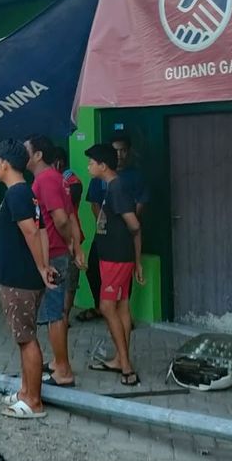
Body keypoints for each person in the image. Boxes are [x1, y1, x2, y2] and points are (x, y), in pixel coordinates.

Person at [0, 139, 56, 419]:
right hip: (23, 277)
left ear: (5, 164)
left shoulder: (17, 194)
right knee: (24, 338)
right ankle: (25, 392)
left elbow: (32, 232)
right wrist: (44, 266)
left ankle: (34, 402)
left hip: (19, 280)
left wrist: (42, 267)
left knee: (27, 339)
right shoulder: (25, 194)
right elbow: (41, 230)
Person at [25, 135, 83, 388]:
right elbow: (70, 214)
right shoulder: (55, 177)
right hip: (60, 252)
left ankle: (63, 370)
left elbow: (61, 218)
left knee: (54, 314)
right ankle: (58, 363)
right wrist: (76, 245)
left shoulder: (46, 179)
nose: (23, 153)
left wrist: (69, 243)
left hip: (54, 255)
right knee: (54, 312)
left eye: (27, 150)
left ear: (38, 155)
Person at [84, 143, 144, 386]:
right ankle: (120, 359)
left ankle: (126, 366)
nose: (88, 166)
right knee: (121, 307)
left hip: (117, 259)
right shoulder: (111, 187)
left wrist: (136, 260)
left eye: (91, 163)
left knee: (107, 307)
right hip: (114, 257)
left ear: (103, 165)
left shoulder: (117, 188)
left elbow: (135, 225)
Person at [77, 131, 147, 322]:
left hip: (120, 243)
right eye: (116, 151)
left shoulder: (125, 182)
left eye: (123, 151)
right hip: (105, 237)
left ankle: (112, 316)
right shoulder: (102, 181)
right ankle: (104, 309)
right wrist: (104, 221)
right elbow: (95, 204)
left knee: (114, 301)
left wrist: (123, 220)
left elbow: (135, 220)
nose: (119, 155)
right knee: (93, 269)